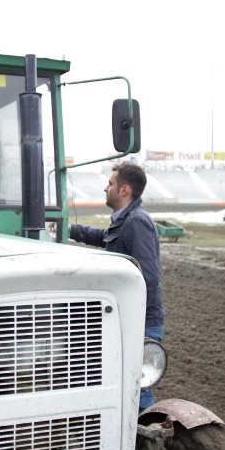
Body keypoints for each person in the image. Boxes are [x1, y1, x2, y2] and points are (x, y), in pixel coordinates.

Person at [68, 163, 165, 412]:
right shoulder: (125, 221)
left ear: (124, 190)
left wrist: (129, 317)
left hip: (139, 319)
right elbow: (104, 237)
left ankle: (145, 435)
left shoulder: (137, 222)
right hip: (128, 316)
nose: (105, 188)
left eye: (110, 184)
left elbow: (148, 277)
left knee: (135, 383)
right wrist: (68, 230)